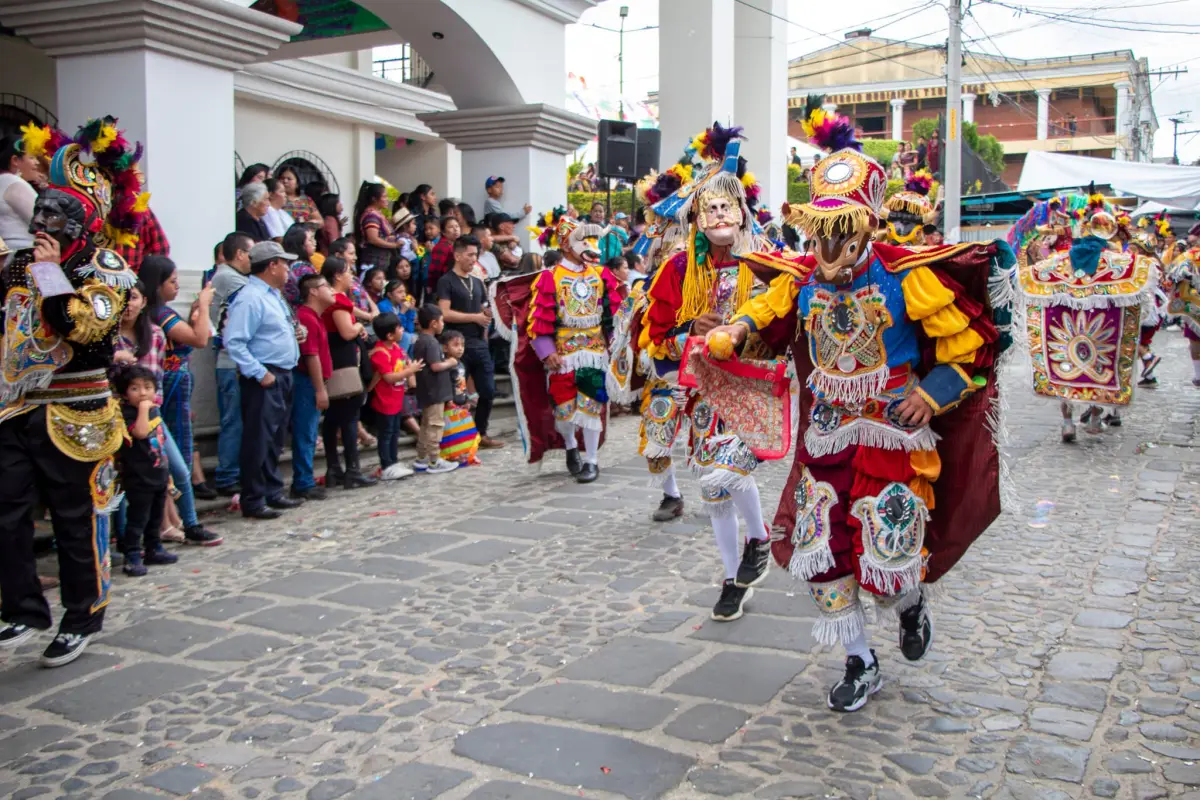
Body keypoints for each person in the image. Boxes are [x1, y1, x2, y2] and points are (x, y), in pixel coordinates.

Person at [706, 102, 1012, 711]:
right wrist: (735, 331)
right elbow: (764, 310)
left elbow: (969, 348)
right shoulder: (801, 278)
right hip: (826, 435)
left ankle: (911, 602)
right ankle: (859, 660)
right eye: (822, 230)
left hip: (893, 434)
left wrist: (930, 394)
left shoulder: (907, 277)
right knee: (824, 550)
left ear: (868, 226)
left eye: (843, 230)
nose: (830, 244)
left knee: (885, 551)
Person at [0, 117, 142, 667]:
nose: (41, 221)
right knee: (7, 512)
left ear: (80, 222)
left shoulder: (103, 267)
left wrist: (52, 273)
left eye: (54, 214)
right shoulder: (16, 266)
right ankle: (22, 608)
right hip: (16, 406)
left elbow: (80, 326)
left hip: (76, 406)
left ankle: (82, 614)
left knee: (73, 518)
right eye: (38, 212)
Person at [634, 124, 774, 618]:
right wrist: (691, 328)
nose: (718, 213)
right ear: (695, 217)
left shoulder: (768, 263)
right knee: (714, 489)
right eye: (708, 207)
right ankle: (733, 576)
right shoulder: (677, 271)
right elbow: (656, 338)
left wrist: (746, 331)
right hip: (702, 389)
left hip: (752, 386)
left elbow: (788, 325)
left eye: (727, 205)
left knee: (725, 475)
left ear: (742, 213)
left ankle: (759, 538)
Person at [493, 216, 621, 481]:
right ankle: (571, 447)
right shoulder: (550, 278)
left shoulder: (601, 275)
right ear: (565, 245)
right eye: (582, 240)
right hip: (563, 355)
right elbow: (538, 320)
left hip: (595, 354)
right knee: (564, 413)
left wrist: (617, 342)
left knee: (591, 406)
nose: (589, 245)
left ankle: (591, 461)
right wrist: (546, 351)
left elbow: (615, 313)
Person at [139, 256, 222, 546]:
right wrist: (203, 304)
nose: (176, 287)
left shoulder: (161, 313)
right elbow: (200, 339)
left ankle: (182, 520)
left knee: (180, 457)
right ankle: (185, 522)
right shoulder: (159, 314)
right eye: (172, 282)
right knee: (179, 458)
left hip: (175, 386)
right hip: (166, 387)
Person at [223, 241, 305, 520]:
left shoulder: (274, 295)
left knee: (275, 438)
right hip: (264, 376)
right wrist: (260, 373)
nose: (288, 270)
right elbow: (235, 342)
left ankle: (272, 490)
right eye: (284, 264)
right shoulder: (250, 297)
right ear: (271, 265)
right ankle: (254, 497)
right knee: (258, 438)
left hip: (283, 372)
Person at [436, 235, 504, 449]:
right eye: (470, 254)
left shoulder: (476, 281)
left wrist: (485, 314)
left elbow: (481, 309)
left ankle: (480, 432)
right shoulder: (446, 281)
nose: (474, 259)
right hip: (456, 344)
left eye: (476, 254)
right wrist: (474, 317)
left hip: (478, 341)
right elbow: (444, 313)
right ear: (457, 255)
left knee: (488, 390)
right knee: (458, 392)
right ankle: (457, 436)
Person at [320, 256, 378, 489]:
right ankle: (351, 469)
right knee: (349, 413)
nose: (351, 275)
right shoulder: (338, 300)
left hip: (333, 356)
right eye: (347, 271)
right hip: (342, 358)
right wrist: (358, 327)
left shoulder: (329, 299)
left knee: (334, 416)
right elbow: (346, 331)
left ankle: (334, 468)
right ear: (337, 275)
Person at [114, 365, 177, 577]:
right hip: (138, 476)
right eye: (135, 388)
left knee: (155, 516)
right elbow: (140, 433)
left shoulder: (154, 411)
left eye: (147, 387)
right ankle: (132, 554)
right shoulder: (128, 413)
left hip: (157, 471)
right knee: (138, 518)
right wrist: (142, 409)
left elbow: (158, 440)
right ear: (124, 393)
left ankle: (154, 547)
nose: (142, 393)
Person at [209, 232, 253, 496]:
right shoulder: (228, 277)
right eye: (251, 254)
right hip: (230, 362)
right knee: (233, 420)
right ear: (239, 254)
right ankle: (227, 475)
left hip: (236, 361)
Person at [291, 272, 334, 500]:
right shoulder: (306, 317)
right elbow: (310, 355)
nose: (331, 290)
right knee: (305, 431)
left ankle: (304, 478)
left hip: (312, 381)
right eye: (326, 285)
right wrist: (320, 389)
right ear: (314, 291)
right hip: (306, 382)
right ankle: (303, 481)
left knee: (308, 431)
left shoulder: (315, 316)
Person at [369, 312, 423, 479]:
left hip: (396, 400)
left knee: (393, 432)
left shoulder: (397, 349)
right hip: (384, 401)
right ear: (390, 335)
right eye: (399, 328)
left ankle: (393, 461)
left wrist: (410, 368)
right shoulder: (380, 353)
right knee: (385, 435)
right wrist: (409, 371)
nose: (402, 330)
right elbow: (389, 377)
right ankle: (386, 465)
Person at [412, 304, 461, 473]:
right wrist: (451, 362)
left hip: (426, 389)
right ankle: (434, 459)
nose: (443, 324)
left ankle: (421, 457)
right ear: (433, 323)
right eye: (441, 321)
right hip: (434, 390)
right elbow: (435, 366)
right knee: (434, 425)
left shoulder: (420, 340)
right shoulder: (431, 342)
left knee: (426, 425)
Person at [439, 329, 482, 465]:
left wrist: (466, 399)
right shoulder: (447, 365)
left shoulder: (461, 364)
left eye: (462, 345)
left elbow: (462, 383)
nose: (460, 349)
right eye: (456, 345)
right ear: (445, 347)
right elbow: (445, 383)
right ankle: (453, 455)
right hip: (451, 403)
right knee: (452, 433)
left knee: (465, 430)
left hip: (461, 402)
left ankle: (466, 453)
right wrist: (449, 400)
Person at [0, 132, 40, 254]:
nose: (37, 162)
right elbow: (41, 221)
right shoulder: (12, 182)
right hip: (22, 254)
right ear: (15, 160)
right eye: (32, 157)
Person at [354, 181, 398, 271]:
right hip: (375, 260)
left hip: (382, 259)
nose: (387, 200)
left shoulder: (378, 214)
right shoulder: (371, 215)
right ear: (374, 199)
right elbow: (373, 238)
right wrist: (394, 245)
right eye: (384, 197)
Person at [282, 223, 318, 305]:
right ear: (300, 244)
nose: (314, 243)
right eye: (310, 240)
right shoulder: (301, 268)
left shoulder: (293, 263)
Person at [426, 215, 461, 296]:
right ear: (443, 232)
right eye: (451, 227)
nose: (455, 229)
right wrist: (431, 285)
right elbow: (435, 268)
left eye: (457, 226)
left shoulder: (455, 245)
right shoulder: (442, 246)